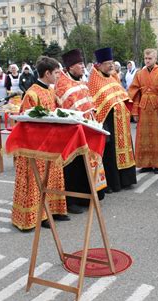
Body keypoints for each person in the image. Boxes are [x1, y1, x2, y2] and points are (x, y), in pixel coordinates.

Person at [12, 56, 69, 230]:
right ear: (47, 73)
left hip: (51, 142)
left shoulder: (51, 91)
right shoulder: (32, 93)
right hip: (35, 146)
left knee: (53, 176)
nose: (59, 76)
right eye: (56, 73)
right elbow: (25, 122)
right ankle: (38, 216)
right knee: (37, 181)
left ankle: (54, 210)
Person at [55, 48, 106, 214]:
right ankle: (71, 201)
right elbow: (67, 107)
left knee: (86, 164)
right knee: (73, 166)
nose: (83, 67)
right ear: (70, 67)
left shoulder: (81, 80)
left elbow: (88, 103)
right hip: (71, 131)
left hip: (88, 127)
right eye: (80, 64)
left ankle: (86, 195)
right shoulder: (62, 84)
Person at [88, 47, 137, 193]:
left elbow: (122, 95)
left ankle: (125, 180)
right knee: (110, 153)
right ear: (99, 64)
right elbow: (98, 103)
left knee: (123, 150)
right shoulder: (94, 81)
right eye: (107, 63)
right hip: (108, 122)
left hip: (120, 121)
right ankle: (112, 182)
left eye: (111, 63)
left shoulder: (111, 77)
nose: (111, 66)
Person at [128, 48, 158, 174]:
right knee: (143, 137)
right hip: (143, 109)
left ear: (155, 59)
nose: (147, 61)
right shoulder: (139, 74)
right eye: (145, 59)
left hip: (157, 109)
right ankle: (145, 163)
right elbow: (134, 93)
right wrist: (135, 112)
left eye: (150, 58)